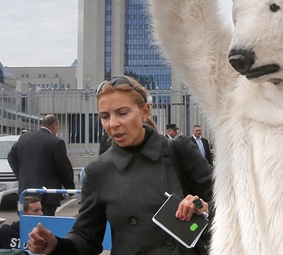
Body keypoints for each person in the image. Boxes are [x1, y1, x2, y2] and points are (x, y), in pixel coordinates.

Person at [28, 75, 214, 254]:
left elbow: (227, 203)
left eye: (122, 113)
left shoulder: (179, 150)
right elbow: (86, 238)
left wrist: (201, 206)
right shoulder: (98, 172)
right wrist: (56, 246)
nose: (113, 123)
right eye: (105, 116)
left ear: (145, 111)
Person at [7, 115, 75, 216]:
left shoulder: (24, 138)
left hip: (25, 192)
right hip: (47, 195)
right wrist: (70, 188)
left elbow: (11, 157)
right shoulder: (56, 142)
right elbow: (64, 168)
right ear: (54, 126)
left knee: (25, 225)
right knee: (45, 226)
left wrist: (21, 175)